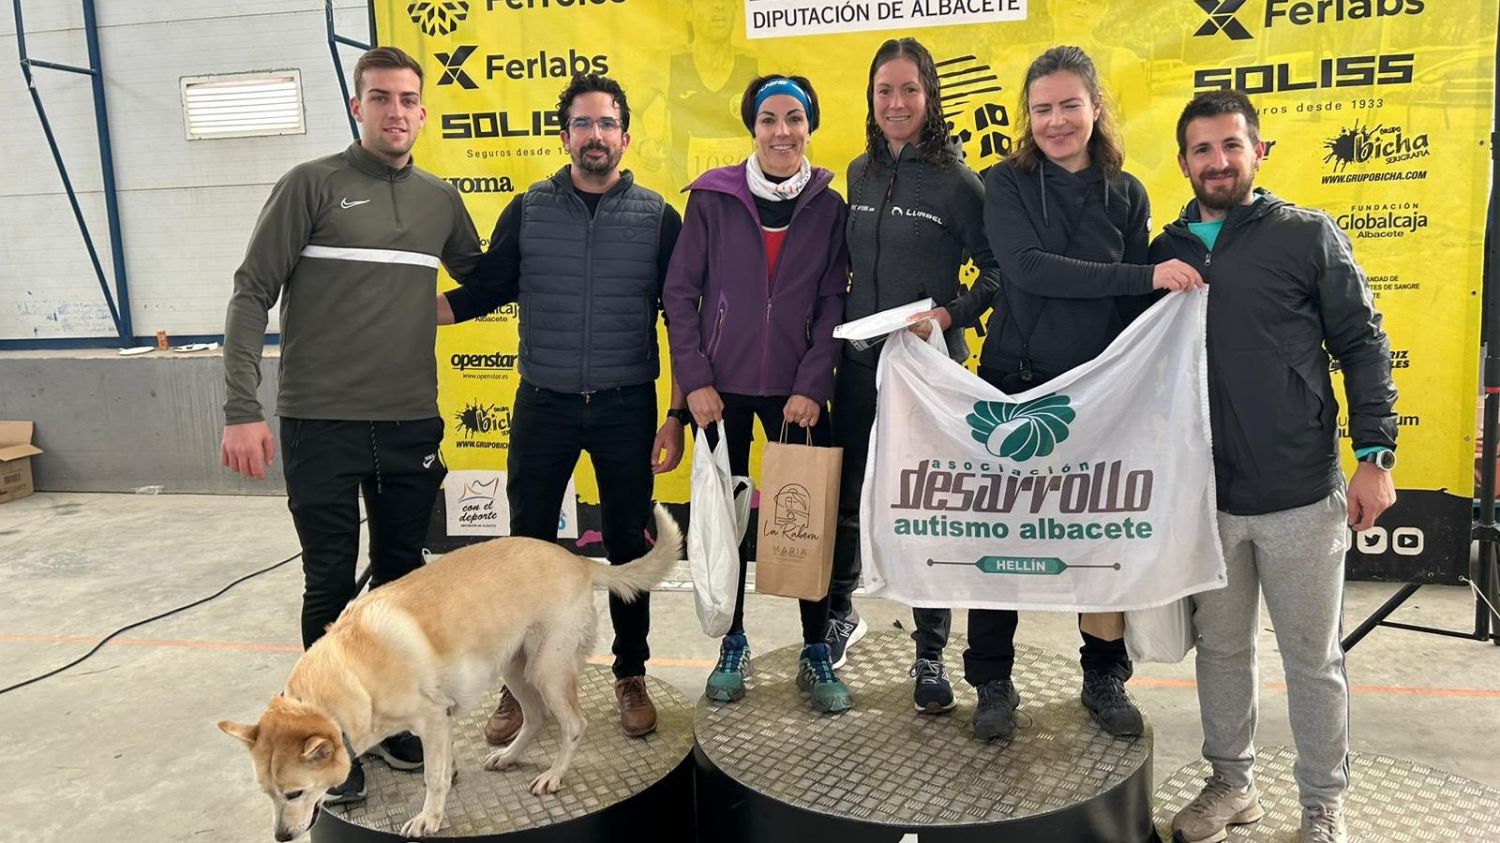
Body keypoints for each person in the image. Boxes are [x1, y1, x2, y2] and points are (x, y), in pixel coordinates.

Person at [912, 45, 1203, 742]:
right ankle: (992, 680)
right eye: (1041, 108)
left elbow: (1139, 301)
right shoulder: (1004, 185)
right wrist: (1146, 277)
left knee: (1099, 540)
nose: (1056, 121)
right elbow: (1030, 270)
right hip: (1015, 386)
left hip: (1101, 395)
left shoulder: (1127, 193)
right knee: (1002, 543)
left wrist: (1175, 290)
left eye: (1070, 105)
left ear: (1095, 108)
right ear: (1028, 117)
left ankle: (1103, 675)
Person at [221, 46, 485, 802]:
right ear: (356, 107)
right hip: (320, 421)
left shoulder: (440, 198)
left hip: (409, 421)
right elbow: (250, 293)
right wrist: (241, 406)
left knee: (403, 583)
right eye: (380, 98)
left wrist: (428, 308)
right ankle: (327, 735)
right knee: (330, 581)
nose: (395, 112)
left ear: (424, 112)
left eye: (408, 100)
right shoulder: (311, 185)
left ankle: (397, 721)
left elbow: (485, 278)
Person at [1153, 90, 1397, 843]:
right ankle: (1232, 783)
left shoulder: (1305, 236)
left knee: (1311, 658)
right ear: (1185, 160)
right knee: (1223, 650)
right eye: (1202, 149)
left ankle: (1323, 803)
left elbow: (1362, 343)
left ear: (1259, 151)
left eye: (1231, 145)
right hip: (1209, 497)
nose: (1217, 161)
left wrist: (1376, 454)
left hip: (1300, 490)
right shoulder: (1168, 249)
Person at [437, 74, 686, 742]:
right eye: (582, 123)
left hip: (626, 402)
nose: (595, 135)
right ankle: (519, 691)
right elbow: (486, 287)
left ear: (626, 136)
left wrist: (677, 412)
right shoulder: (529, 209)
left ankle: (629, 672)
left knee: (629, 539)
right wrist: (410, 311)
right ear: (563, 134)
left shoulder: (659, 217)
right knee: (526, 550)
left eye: (607, 123)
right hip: (542, 403)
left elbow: (683, 317)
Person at [662, 73, 851, 713]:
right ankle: (733, 641)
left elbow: (832, 302)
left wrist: (812, 383)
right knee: (728, 523)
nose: (781, 132)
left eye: (794, 119)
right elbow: (679, 295)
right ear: (753, 128)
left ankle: (815, 648)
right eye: (769, 119)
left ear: (809, 127)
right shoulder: (713, 198)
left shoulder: (829, 205)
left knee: (807, 518)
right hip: (722, 394)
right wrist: (695, 383)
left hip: (797, 395)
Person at [830, 38, 1003, 714]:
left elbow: (995, 270)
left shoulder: (959, 183)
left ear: (929, 98)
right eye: (884, 91)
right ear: (870, 99)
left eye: (908, 90)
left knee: (930, 506)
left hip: (928, 374)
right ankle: (841, 613)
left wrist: (948, 314)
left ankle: (930, 652)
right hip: (859, 368)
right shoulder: (857, 173)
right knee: (848, 498)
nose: (895, 103)